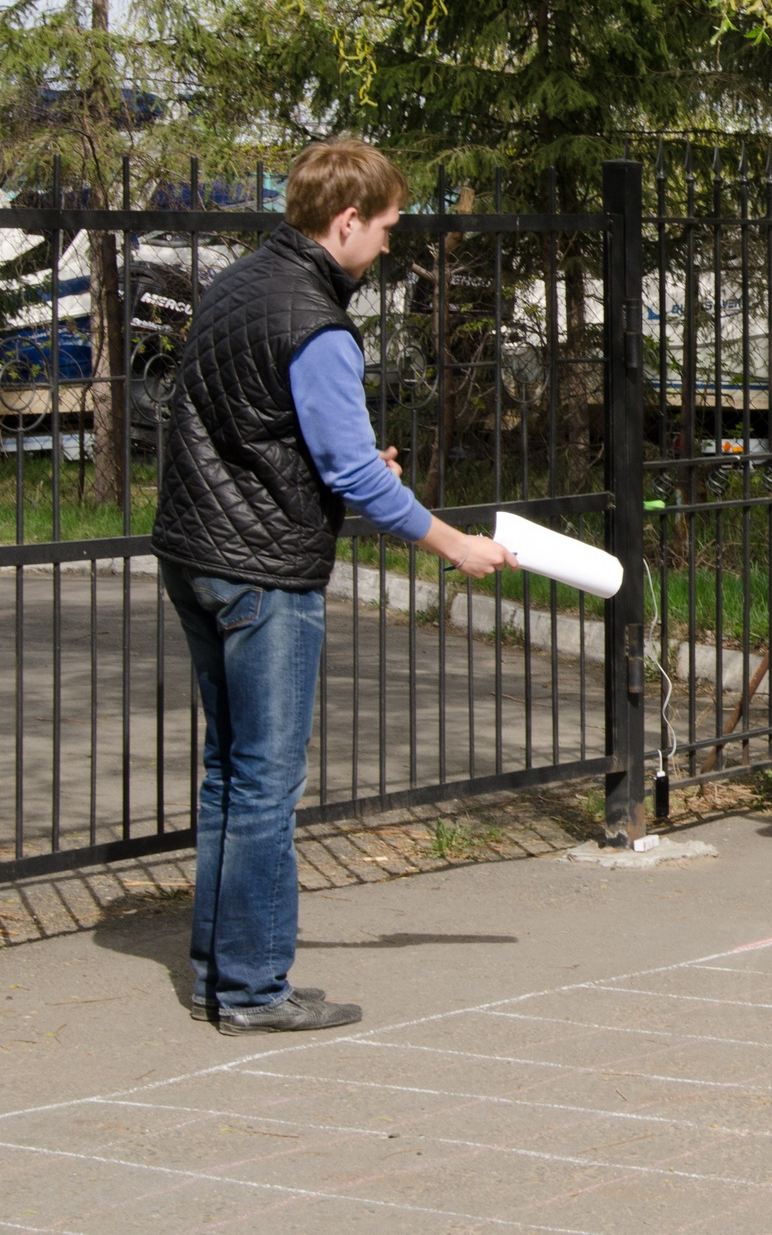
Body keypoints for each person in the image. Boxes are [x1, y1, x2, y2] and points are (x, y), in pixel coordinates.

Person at [153, 138, 514, 1034]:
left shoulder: (235, 285)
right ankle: (252, 991)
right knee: (266, 783)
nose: (391, 243)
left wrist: (343, 465)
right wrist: (451, 544)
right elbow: (352, 476)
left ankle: (220, 973)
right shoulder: (316, 321)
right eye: (388, 227)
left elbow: (252, 428)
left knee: (228, 776)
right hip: (262, 572)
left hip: (195, 553)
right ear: (346, 221)